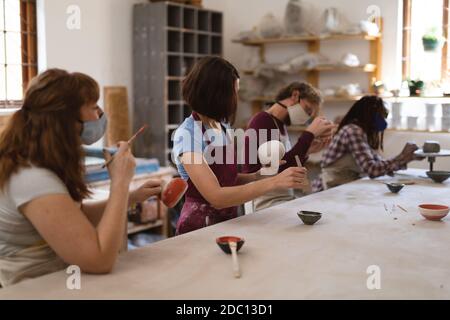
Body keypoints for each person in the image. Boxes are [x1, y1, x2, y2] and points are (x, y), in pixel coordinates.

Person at [0, 69, 162, 287]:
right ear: (67, 118)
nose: (100, 115)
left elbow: (76, 217)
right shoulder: (32, 178)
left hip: (57, 280)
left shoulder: (44, 160)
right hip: (32, 288)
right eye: (94, 107)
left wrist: (131, 197)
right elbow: (100, 260)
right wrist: (120, 184)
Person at [172, 57, 307, 235]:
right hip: (199, 225)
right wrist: (274, 182)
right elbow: (216, 196)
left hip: (228, 220)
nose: (236, 98)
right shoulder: (188, 134)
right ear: (215, 94)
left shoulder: (222, 127)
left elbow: (228, 179)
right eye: (233, 92)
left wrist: (259, 175)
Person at [242, 82, 335, 211]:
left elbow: (285, 164)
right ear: (295, 95)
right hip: (262, 198)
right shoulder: (262, 120)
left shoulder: (281, 125)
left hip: (278, 195)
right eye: (307, 109)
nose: (306, 117)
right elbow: (273, 169)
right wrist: (308, 135)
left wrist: (307, 151)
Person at [312, 95, 423, 191]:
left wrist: (406, 158)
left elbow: (378, 163)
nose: (383, 121)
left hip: (345, 183)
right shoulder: (352, 131)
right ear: (370, 115)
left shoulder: (361, 132)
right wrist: (401, 156)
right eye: (381, 116)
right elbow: (372, 169)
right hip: (332, 186)